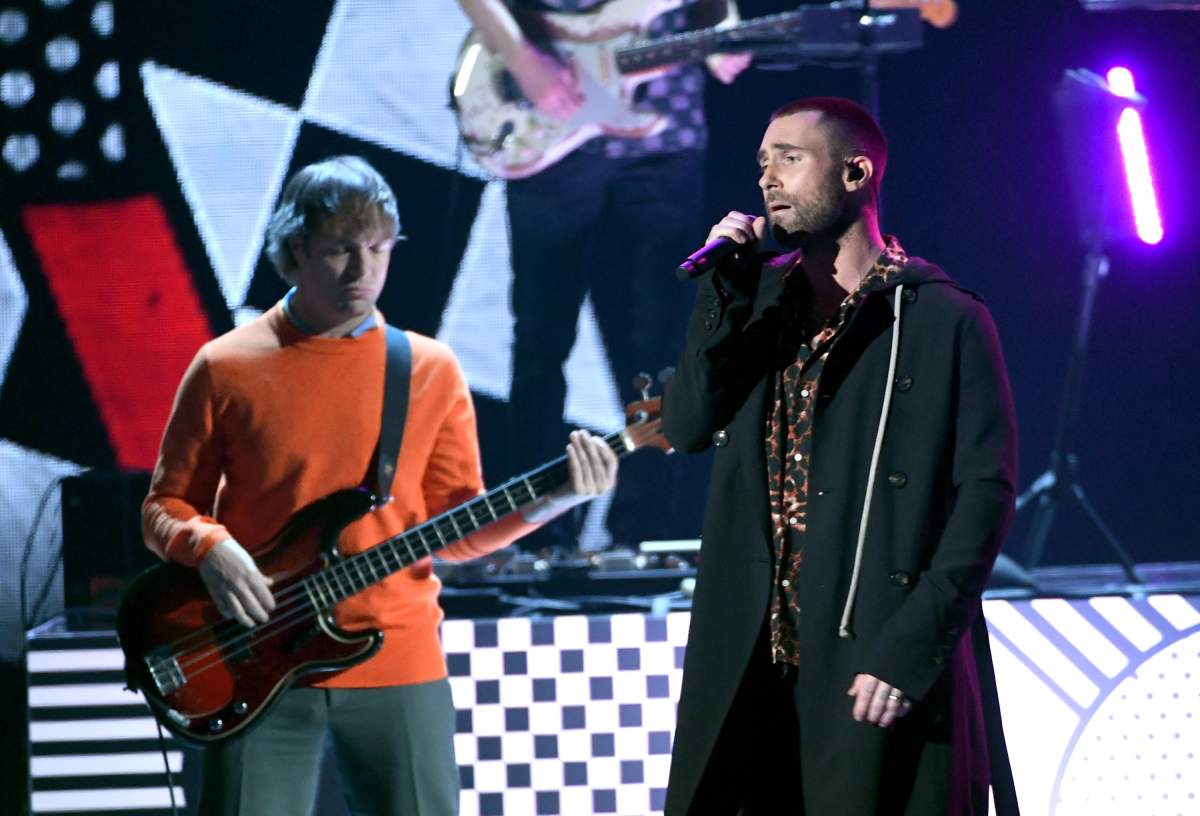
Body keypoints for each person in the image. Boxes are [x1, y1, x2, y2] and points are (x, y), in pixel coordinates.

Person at [141, 156, 618, 815]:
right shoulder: (224, 365)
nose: (361, 270)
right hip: (253, 655)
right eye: (340, 249)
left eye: (378, 248)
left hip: (398, 658)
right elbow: (164, 506)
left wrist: (556, 498)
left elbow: (458, 529)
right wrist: (209, 548)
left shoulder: (429, 369)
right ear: (295, 250)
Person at [660, 98, 1020, 815]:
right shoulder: (756, 307)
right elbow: (688, 425)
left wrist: (911, 646)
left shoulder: (940, 318)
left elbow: (984, 497)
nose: (768, 179)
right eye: (762, 163)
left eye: (790, 159)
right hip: (751, 675)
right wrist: (720, 294)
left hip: (871, 666)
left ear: (855, 174)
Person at [456, 0, 751, 550]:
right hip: (548, 109)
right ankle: (538, 532)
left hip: (666, 130)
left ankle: (641, 537)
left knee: (663, 343)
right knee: (542, 340)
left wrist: (722, 28)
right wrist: (522, 59)